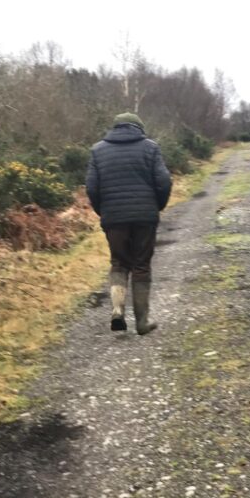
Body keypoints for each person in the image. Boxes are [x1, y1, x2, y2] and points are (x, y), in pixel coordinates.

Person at [86, 112, 172, 334]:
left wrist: (103, 211)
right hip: (145, 217)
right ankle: (142, 321)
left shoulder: (97, 150)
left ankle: (117, 310)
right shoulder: (150, 148)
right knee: (141, 265)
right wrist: (157, 207)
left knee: (119, 263)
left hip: (114, 218)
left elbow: (92, 188)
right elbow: (164, 182)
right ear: (138, 127)